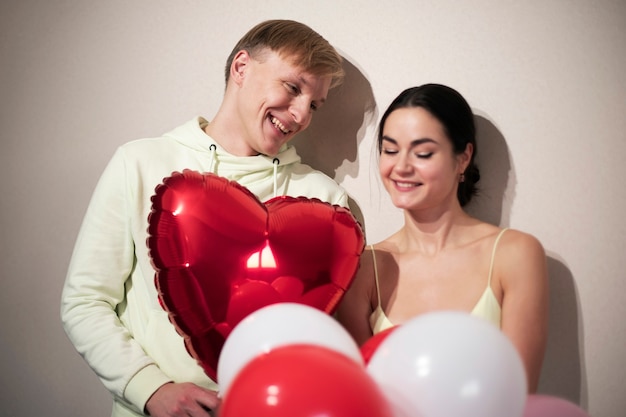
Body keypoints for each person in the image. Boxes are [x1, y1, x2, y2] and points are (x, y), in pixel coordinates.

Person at [61, 20, 347, 417]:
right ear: (241, 68)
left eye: (314, 104)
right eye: (293, 88)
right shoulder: (140, 163)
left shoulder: (323, 201)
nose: (300, 115)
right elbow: (85, 301)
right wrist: (151, 389)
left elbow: (319, 335)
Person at [336, 84, 549, 392]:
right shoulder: (365, 268)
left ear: (463, 158)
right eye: (390, 150)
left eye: (423, 153)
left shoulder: (514, 254)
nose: (402, 167)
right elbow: (359, 395)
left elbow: (520, 394)